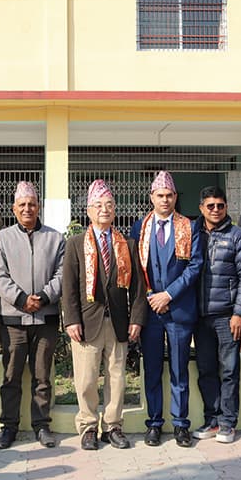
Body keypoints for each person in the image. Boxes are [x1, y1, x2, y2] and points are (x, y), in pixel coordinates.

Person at [62, 179, 147, 451]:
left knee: (117, 377)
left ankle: (113, 426)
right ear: (88, 210)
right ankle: (88, 427)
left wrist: (136, 319)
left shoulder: (127, 244)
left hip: (119, 322)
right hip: (86, 323)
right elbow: (69, 286)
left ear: (115, 209)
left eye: (109, 205)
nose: (104, 210)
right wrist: (71, 319)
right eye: (98, 205)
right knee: (86, 379)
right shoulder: (75, 244)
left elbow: (138, 288)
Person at [0, 181, 65, 449]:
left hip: (46, 317)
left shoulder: (55, 238)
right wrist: (21, 299)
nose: (27, 208)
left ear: (38, 206)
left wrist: (43, 298)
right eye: (22, 204)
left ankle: (42, 425)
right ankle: (8, 426)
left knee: (42, 375)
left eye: (32, 204)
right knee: (11, 375)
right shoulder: (2, 238)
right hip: (13, 319)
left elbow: (62, 274)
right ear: (14, 208)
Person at [129, 171, 203, 448]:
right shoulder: (140, 227)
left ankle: (181, 425)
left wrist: (169, 294)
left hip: (179, 309)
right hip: (150, 310)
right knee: (152, 369)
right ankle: (154, 423)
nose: (165, 200)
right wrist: (151, 296)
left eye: (169, 195)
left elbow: (195, 265)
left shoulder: (189, 226)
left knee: (179, 368)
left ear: (175, 198)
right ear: (151, 198)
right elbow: (136, 270)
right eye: (160, 195)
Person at [191, 185, 241, 445]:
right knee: (206, 370)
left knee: (229, 370)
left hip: (227, 317)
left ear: (226, 207)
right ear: (201, 208)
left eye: (220, 205)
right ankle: (212, 420)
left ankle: (228, 423)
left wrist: (239, 313)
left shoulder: (238, 236)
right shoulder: (193, 233)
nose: (215, 210)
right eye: (210, 205)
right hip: (199, 316)